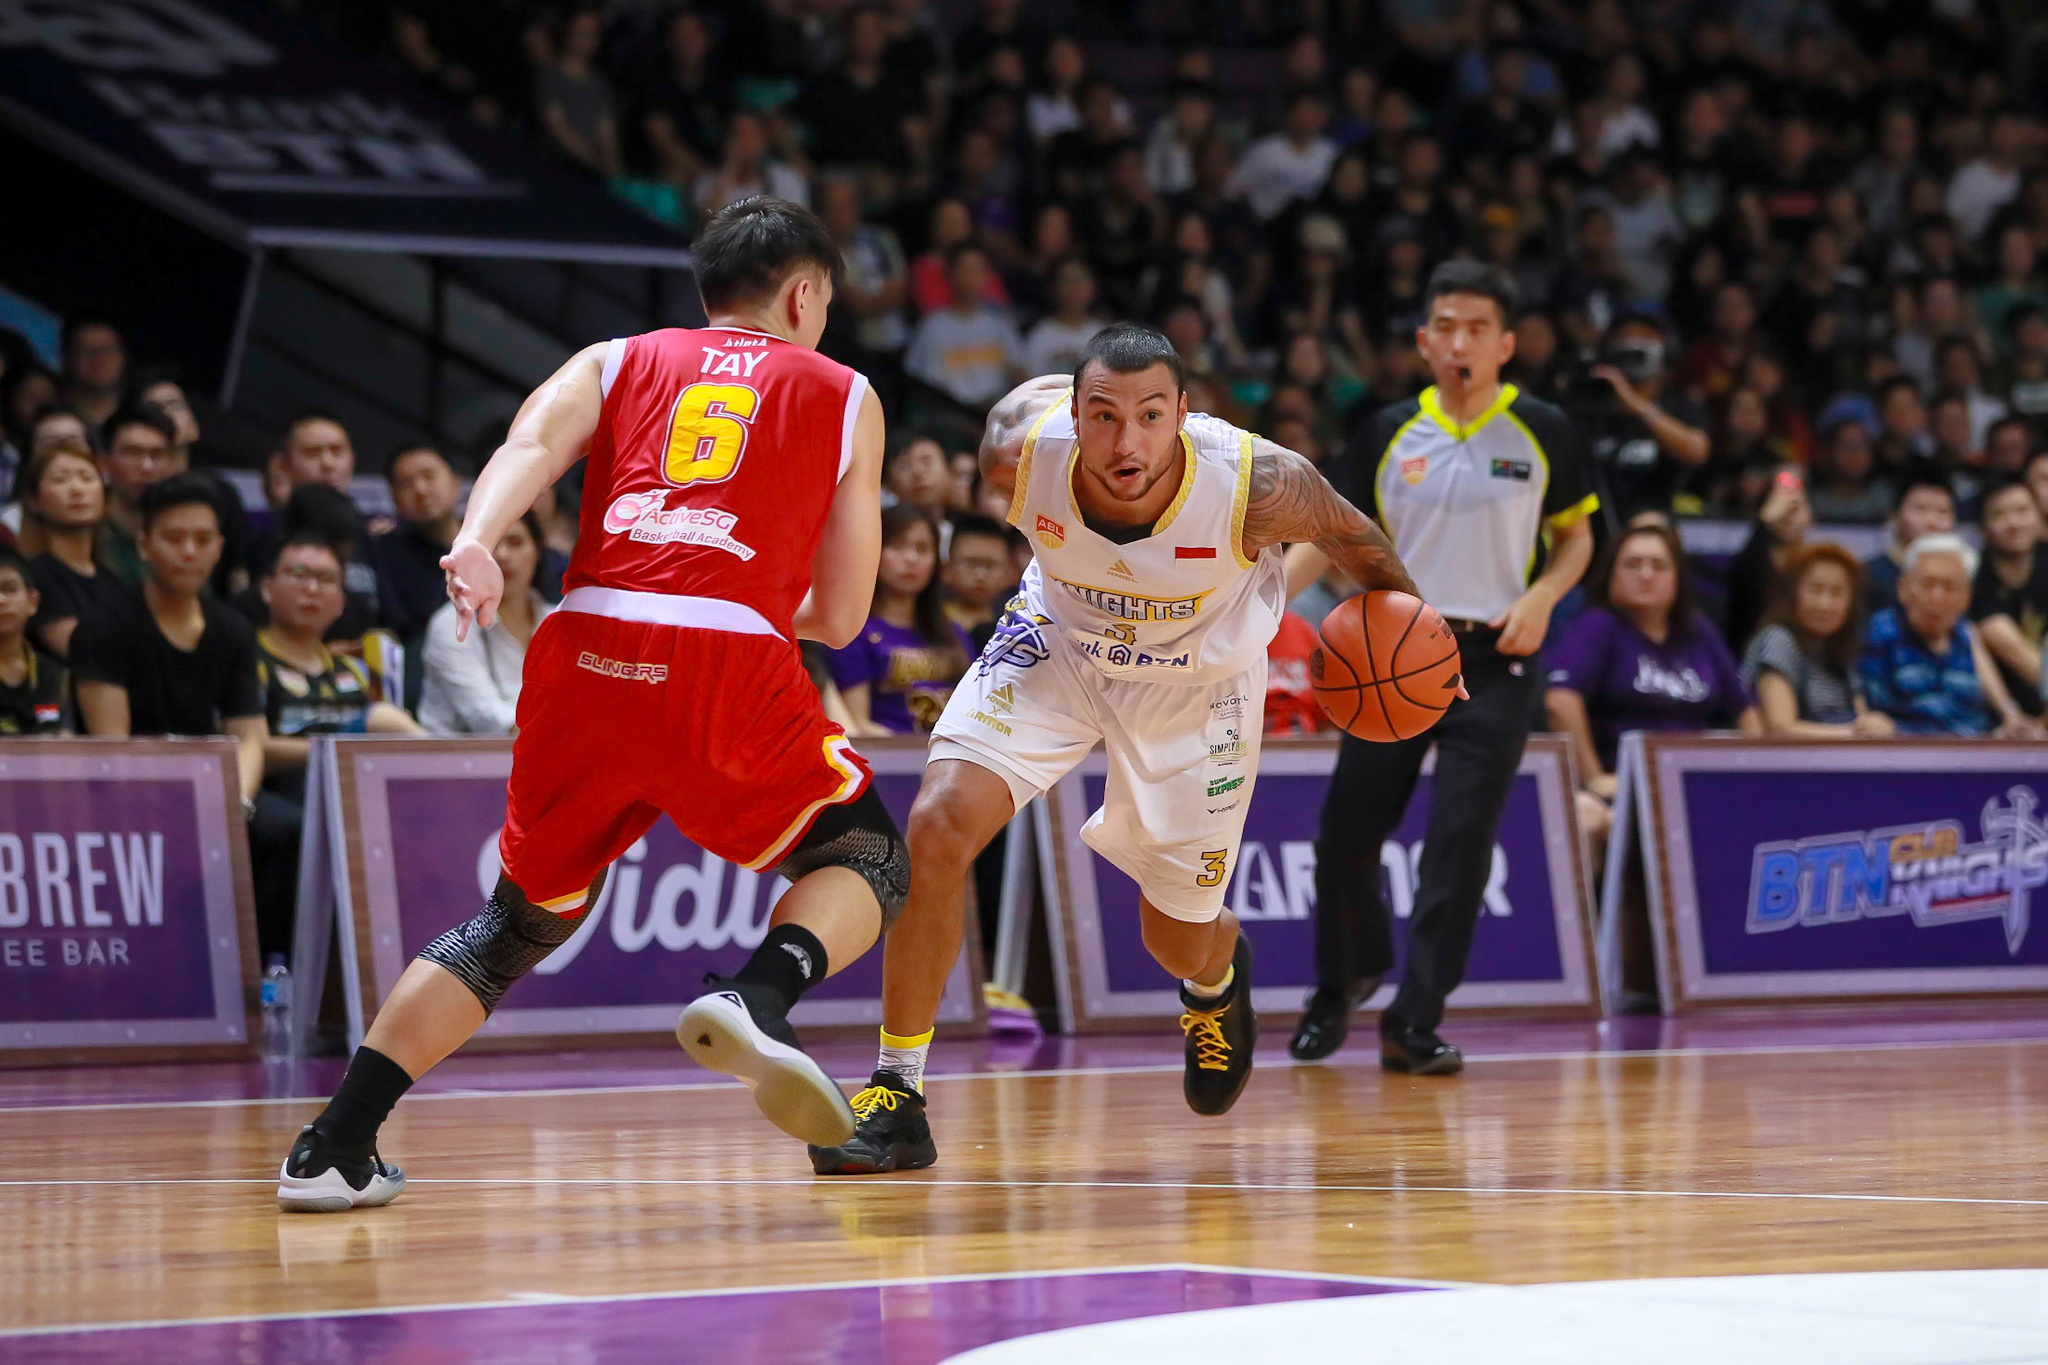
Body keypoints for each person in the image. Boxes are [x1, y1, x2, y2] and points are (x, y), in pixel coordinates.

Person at [276, 196, 903, 1212]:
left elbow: (530, 444)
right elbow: (839, 616)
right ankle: (759, 994)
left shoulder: (614, 356)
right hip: (725, 656)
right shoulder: (844, 392)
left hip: (586, 644)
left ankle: (332, 1144)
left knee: (515, 922)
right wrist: (732, 583)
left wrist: (478, 539)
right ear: (803, 295)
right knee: (865, 857)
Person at [814, 323, 1432, 1176]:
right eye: (1102, 414)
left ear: (1185, 411)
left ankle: (1215, 980)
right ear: (1073, 410)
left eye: (1149, 414)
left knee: (1174, 939)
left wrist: (1419, 649)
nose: (1126, 439)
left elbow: (1358, 542)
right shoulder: (1018, 456)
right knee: (938, 823)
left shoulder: (1258, 482)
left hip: (1200, 686)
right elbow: (1018, 418)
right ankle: (897, 1091)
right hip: (1060, 645)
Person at [1284, 261, 1595, 1075]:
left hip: (1498, 656)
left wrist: (1545, 596)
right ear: (1424, 342)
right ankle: (1343, 977)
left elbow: (1578, 536)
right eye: (1446, 327)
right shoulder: (1387, 429)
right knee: (1346, 834)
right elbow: (1328, 534)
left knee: (1460, 844)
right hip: (1392, 649)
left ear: (1507, 344)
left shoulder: (1545, 429)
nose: (1460, 342)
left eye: (1477, 329)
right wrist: (1259, 605)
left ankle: (1412, 1021)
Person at [249, 534, 425, 955]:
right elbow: (252, 746)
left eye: (326, 579)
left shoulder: (353, 670)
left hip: (348, 792)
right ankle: (280, 965)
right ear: (267, 588)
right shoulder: (250, 660)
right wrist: (342, 747)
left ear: (342, 601)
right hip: (282, 792)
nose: (312, 589)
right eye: (299, 575)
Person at [1546, 522, 1761, 840]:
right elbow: (1559, 700)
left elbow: (1746, 709)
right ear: (1611, 575)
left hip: (1696, 784)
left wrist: (1754, 774)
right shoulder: (1598, 625)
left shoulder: (1697, 630)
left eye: (1659, 566)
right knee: (1585, 820)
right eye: (1632, 564)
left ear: (1678, 578)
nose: (1646, 574)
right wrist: (1594, 778)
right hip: (1624, 785)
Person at [69, 474, 267, 813]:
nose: (189, 552)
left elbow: (249, 738)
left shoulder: (234, 629)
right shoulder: (102, 625)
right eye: (174, 538)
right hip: (124, 797)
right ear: (144, 545)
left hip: (213, 792)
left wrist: (237, 804)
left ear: (219, 548)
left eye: (203, 539)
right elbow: (112, 746)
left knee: (282, 828)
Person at [1860, 534, 2039, 738]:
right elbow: (1870, 717)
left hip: (1973, 755)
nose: (1937, 597)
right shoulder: (1880, 632)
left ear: (1966, 597)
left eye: (1950, 587)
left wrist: (2008, 727)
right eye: (1927, 584)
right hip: (1905, 754)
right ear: (1903, 588)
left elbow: (1994, 715)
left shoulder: (1965, 635)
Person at [827, 504, 969, 735]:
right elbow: (857, 724)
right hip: (890, 760)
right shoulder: (854, 632)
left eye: (922, 549)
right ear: (874, 550)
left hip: (953, 754)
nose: (911, 559)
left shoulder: (953, 633)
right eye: (897, 546)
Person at [417, 512, 553, 735]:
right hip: (460, 764)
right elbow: (485, 716)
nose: (502, 555)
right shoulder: (451, 624)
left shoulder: (558, 619)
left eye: (516, 543)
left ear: (538, 551)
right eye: (490, 545)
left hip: (544, 754)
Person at [1741, 542, 1893, 738]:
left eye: (1837, 592)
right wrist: (1852, 736)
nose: (1824, 604)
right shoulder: (1778, 639)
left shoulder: (1840, 647)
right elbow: (1781, 728)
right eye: (1815, 589)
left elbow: (1860, 717)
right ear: (1793, 594)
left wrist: (1877, 725)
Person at [1580, 313, 1710, 521]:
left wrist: (1637, 405)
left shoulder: (1679, 404)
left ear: (1666, 350)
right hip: (1597, 527)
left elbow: (1697, 452)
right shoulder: (1593, 405)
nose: (1634, 343)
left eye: (1645, 337)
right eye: (1626, 337)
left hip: (1654, 528)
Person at [19, 439, 122, 659]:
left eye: (87, 478)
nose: (76, 489)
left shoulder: (113, 579)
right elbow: (81, 652)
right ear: (34, 500)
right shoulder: (34, 575)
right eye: (60, 479)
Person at [370, 444, 466, 644]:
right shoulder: (383, 555)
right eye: (406, 484)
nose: (420, 490)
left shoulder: (493, 544)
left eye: (429, 476)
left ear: (456, 482)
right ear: (394, 498)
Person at [1969, 479, 2048, 713]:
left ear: (2039, 516)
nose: (2013, 523)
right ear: (1983, 529)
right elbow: (2012, 651)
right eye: (1999, 514)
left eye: (2022, 511)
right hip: (2000, 718)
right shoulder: (1975, 577)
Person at [96, 401, 180, 583]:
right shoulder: (87, 533)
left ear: (172, 464)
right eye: (132, 453)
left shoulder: (186, 538)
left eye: (157, 455)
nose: (146, 466)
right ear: (104, 462)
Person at [1864, 469, 1957, 615]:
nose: (1931, 522)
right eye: (1920, 509)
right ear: (1894, 516)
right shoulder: (1868, 575)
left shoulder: (1963, 575)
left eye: (1942, 512)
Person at [0, 546, 69, 733]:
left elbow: (66, 741)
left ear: (33, 601)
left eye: (10, 589)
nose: (1, 600)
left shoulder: (54, 675)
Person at [939, 513, 1013, 646]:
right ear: (947, 568)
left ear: (1008, 574)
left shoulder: (1012, 629)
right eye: (970, 563)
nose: (980, 575)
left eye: (990, 565)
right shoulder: (933, 624)